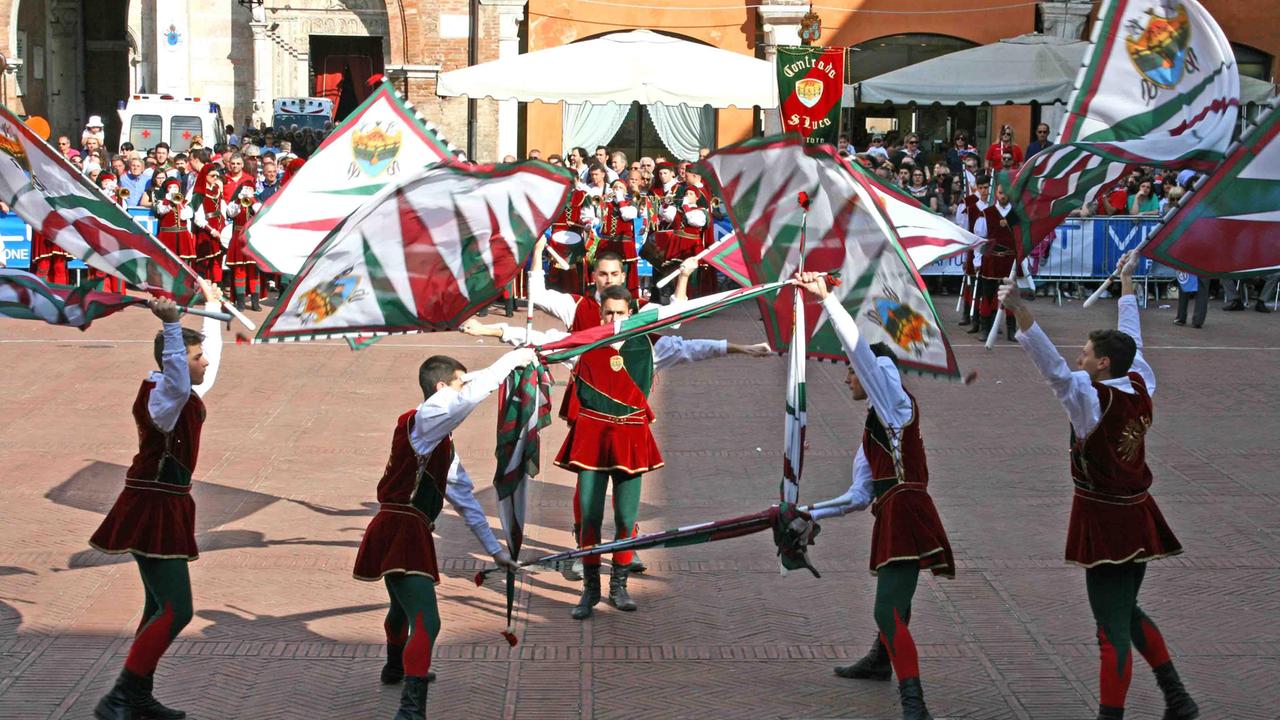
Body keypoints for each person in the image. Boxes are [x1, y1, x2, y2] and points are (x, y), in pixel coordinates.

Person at [468, 283, 769, 620]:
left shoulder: (651, 346)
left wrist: (742, 348)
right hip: (592, 441)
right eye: (608, 313)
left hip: (630, 440)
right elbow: (536, 342)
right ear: (600, 314)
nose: (614, 318)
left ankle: (619, 586)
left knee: (626, 519)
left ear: (630, 314)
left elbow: (695, 348)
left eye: (620, 313)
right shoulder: (585, 344)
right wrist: (489, 335)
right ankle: (590, 590)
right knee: (590, 520)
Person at [998, 253, 1198, 720]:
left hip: (1106, 521)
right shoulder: (1139, 380)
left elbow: (1054, 372)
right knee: (1126, 612)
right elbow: (1134, 336)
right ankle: (1178, 698)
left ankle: (1114, 714)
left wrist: (1022, 311)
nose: (1078, 357)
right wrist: (1127, 283)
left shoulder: (1091, 398)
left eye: (1085, 352)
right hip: (1140, 514)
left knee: (1110, 629)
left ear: (1102, 363)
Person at [798, 271, 952, 720]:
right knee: (896, 603)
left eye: (850, 373)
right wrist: (804, 511)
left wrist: (828, 301)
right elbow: (858, 495)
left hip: (907, 512)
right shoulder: (875, 426)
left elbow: (865, 356)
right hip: (892, 512)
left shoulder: (895, 403)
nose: (848, 379)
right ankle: (880, 660)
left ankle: (914, 704)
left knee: (888, 609)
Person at [351, 349, 528, 719]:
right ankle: (411, 708)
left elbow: (466, 500)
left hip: (397, 527)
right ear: (441, 387)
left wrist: (495, 551)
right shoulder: (428, 415)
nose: (466, 389)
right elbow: (466, 398)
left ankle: (395, 667)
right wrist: (513, 359)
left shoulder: (438, 439)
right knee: (427, 620)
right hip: (403, 529)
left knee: (401, 606)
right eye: (459, 383)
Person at [90, 280, 224, 720]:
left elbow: (206, 364)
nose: (203, 363)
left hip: (165, 503)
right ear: (177, 366)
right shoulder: (165, 396)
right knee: (177, 609)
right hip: (153, 506)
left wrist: (210, 306)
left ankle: (138, 696)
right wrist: (171, 327)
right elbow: (178, 370)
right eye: (195, 357)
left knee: (156, 606)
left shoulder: (179, 392)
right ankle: (121, 696)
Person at [972, 178, 1022, 340]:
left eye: (1006, 193)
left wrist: (1022, 263)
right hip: (991, 260)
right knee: (988, 295)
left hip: (1009, 261)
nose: (1003, 196)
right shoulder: (987, 213)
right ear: (996, 194)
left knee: (1009, 295)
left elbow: (1020, 241)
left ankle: (1011, 330)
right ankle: (985, 329)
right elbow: (980, 239)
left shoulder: (1014, 214)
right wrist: (977, 260)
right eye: (1000, 193)